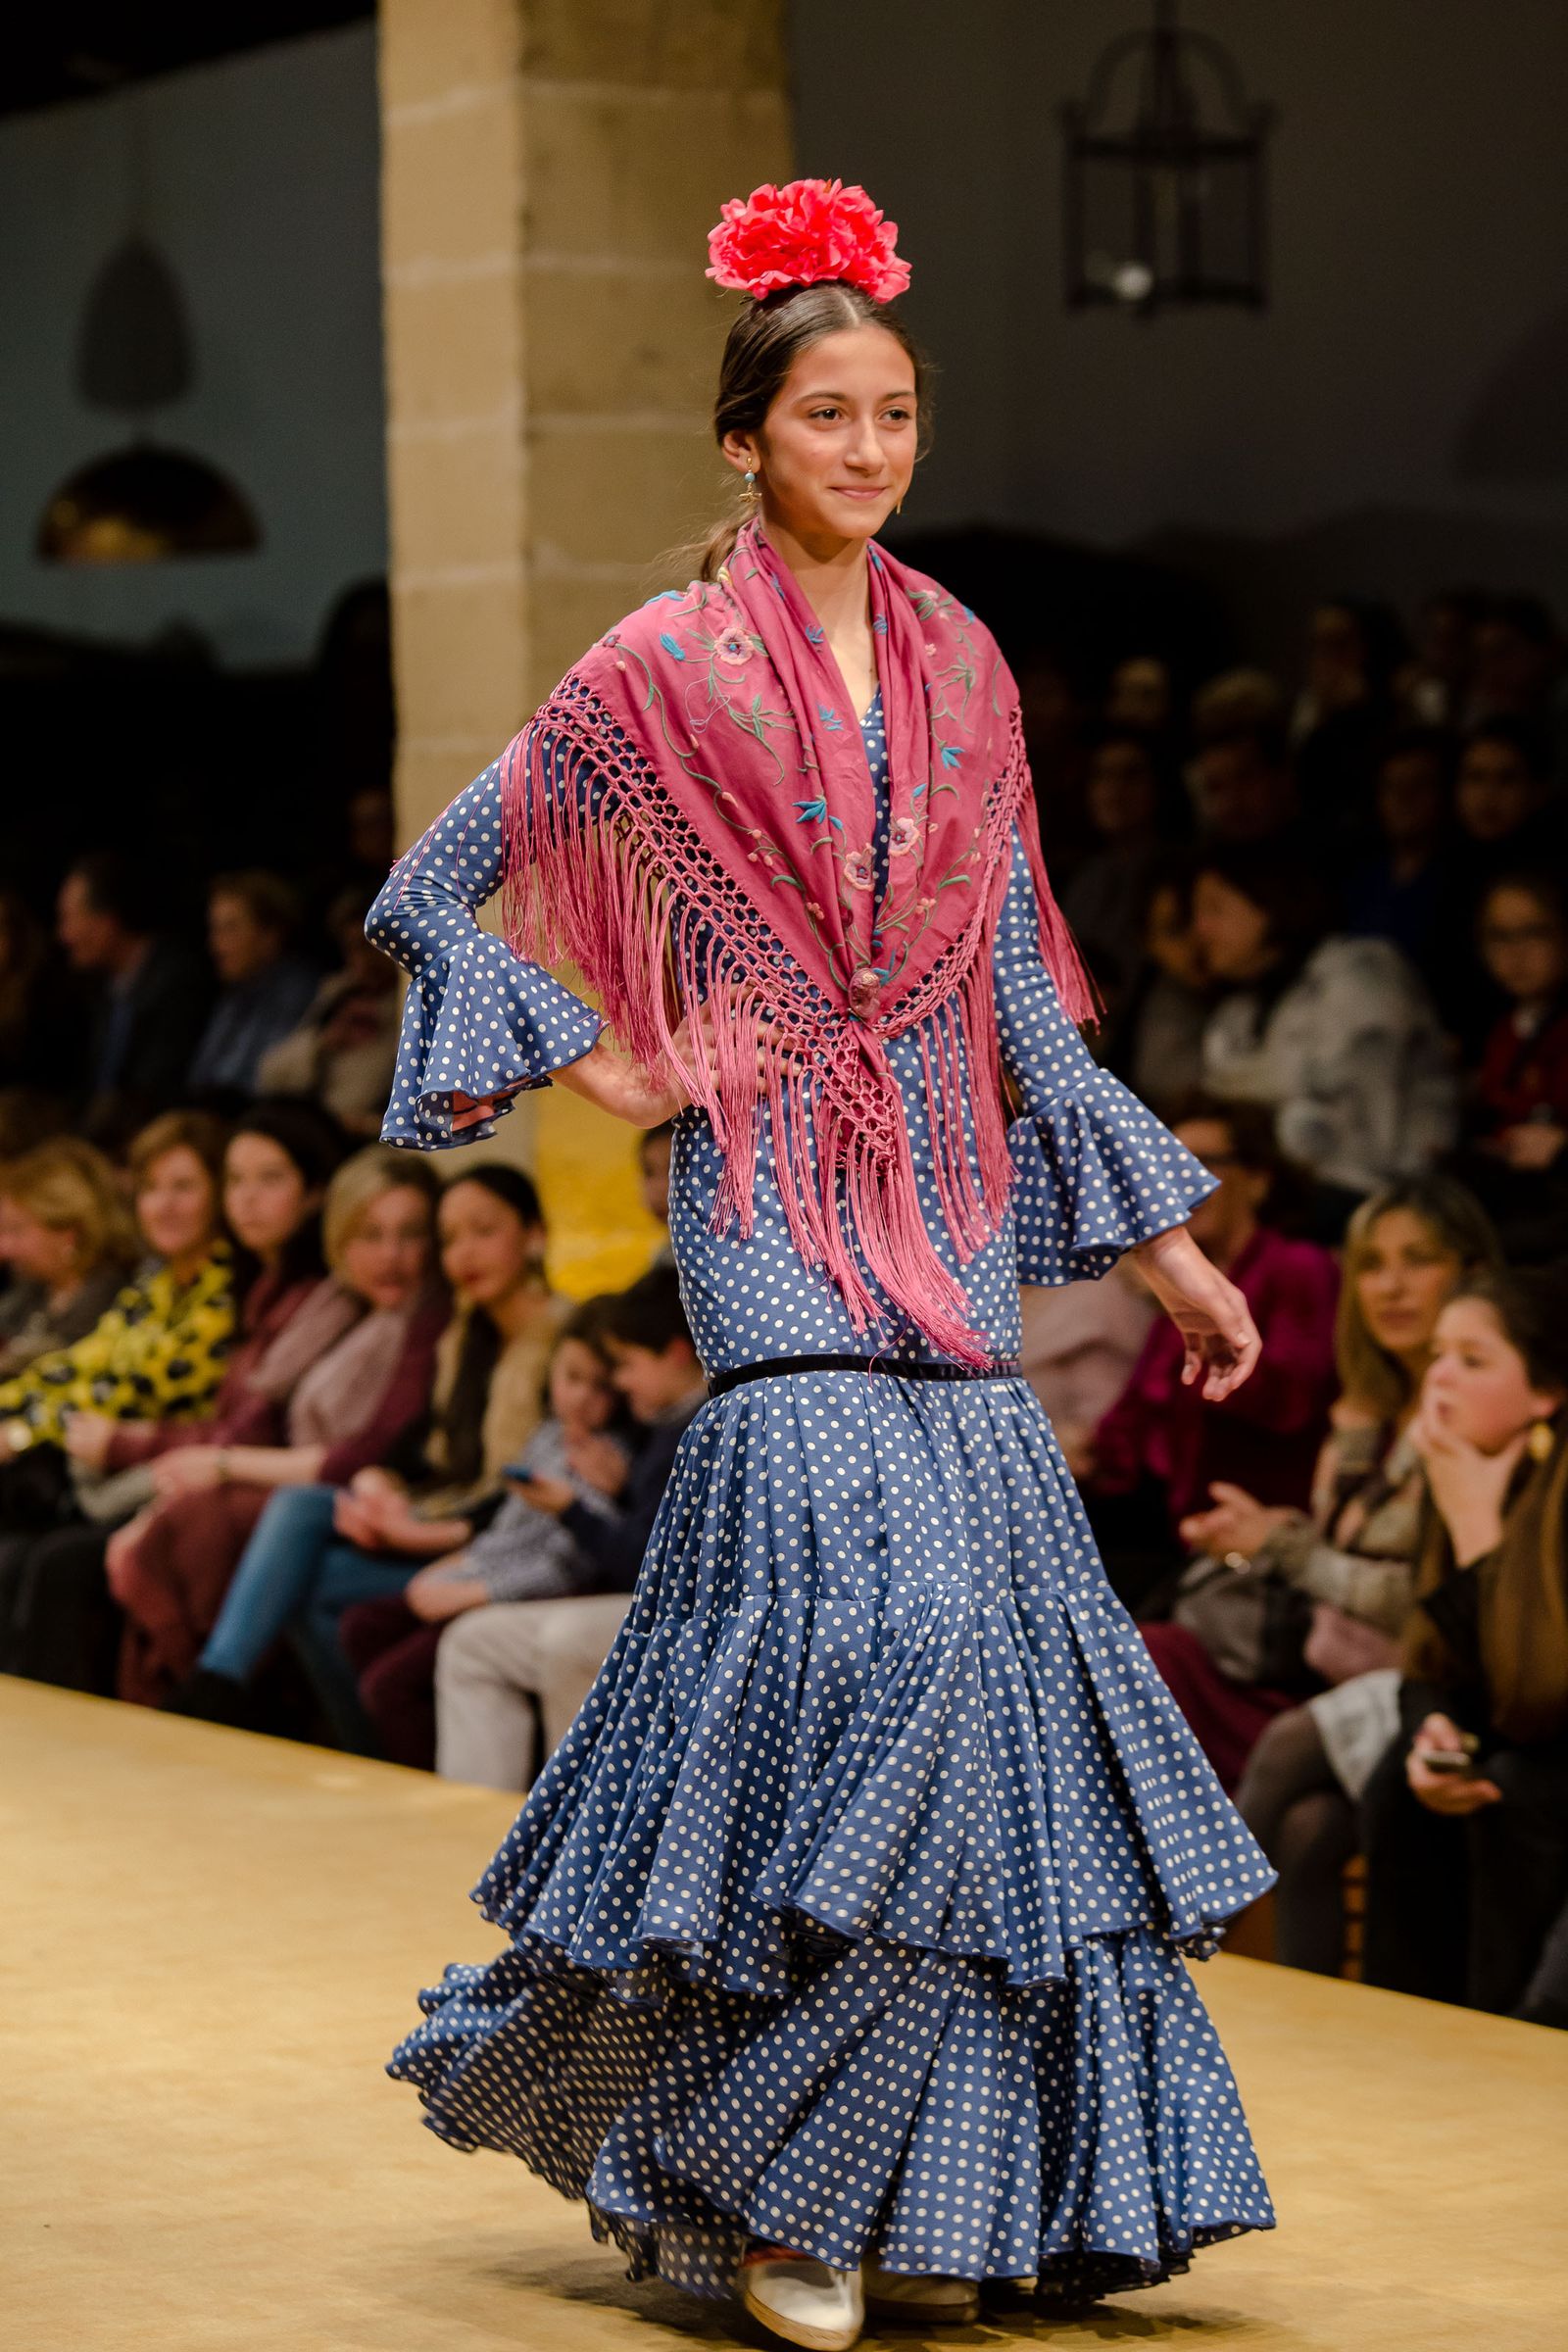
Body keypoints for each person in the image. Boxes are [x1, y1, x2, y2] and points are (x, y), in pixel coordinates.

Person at [371, 182, 1277, 2348]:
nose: (864, 452)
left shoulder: (965, 666)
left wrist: (1164, 1255)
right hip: (769, 1199)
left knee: (985, 1659)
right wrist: (618, 1069)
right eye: (825, 416)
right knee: (885, 1646)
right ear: (743, 436)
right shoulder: (656, 667)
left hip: (952, 1203)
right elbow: (436, 888)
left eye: (891, 417)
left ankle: (923, 2186)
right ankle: (793, 2184)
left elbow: (1030, 1015)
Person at [164, 1164, 558, 1744]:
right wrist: (381, 1483)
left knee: (302, 1543)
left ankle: (221, 1688)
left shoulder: (562, 1340)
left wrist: (431, 1533)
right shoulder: (465, 1336)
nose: (464, 1254)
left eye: (483, 1231)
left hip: (510, 1544)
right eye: (450, 1239)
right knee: (304, 1548)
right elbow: (418, 1451)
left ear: (535, 1235)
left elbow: (534, 1488)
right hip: (449, 1521)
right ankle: (353, 1743)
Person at [1225, 1179, 1500, 1958]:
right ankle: (1318, 2049)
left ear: (1472, 1272)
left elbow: (1426, 1601)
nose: (1392, 1285)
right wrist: (1267, 1536)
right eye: (1374, 1264)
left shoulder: (1481, 1408)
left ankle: (1183, 1944)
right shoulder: (1363, 1415)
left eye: (1419, 1260)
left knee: (1282, 1747)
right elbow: (1343, 1556)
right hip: (1353, 1680)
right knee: (1312, 1835)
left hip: (1441, 1676)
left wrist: (1287, 1550)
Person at [106, 1146, 446, 1705]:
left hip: (372, 1501)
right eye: (370, 1235)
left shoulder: (427, 1320)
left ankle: (206, 1689)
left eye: (411, 1234)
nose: (392, 1256)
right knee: (177, 1517)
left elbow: (364, 1454)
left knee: (219, 1519)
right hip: (317, 1493)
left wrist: (218, 1466)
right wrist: (166, 1497)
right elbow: (253, 1420)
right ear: (339, 1236)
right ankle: (182, 1694)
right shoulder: (334, 1305)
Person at [1360, 1265, 1568, 2025]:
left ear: (1544, 1394)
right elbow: (1426, 1665)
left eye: (1473, 1361)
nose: (1439, 1377)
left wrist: (1477, 1527)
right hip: (1522, 1746)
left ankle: (1509, 2049)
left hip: (1549, 1756)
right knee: (1400, 1782)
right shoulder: (1466, 1466)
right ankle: (1410, 2040)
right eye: (1439, 1354)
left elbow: (1537, 1705)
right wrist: (1430, 1733)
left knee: (1514, 1786)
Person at [431, 1267, 706, 1789]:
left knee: (569, 1641)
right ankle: (477, 1824)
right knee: (472, 1644)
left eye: (625, 1364)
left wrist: (573, 1510)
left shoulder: (708, 1424)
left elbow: (647, 1569)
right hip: (640, 1604)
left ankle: (579, 1840)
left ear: (674, 1353)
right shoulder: (659, 1422)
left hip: (695, 1616)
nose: (620, 1383)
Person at [339, 1295, 630, 1770]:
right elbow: (503, 1523)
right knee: (363, 1626)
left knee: (392, 1682)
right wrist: (455, 1565)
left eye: (600, 1389)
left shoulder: (605, 1460)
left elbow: (564, 1564)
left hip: (521, 1596)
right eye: (572, 1379)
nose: (581, 1398)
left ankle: (423, 1784)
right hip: (485, 1569)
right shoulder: (546, 1435)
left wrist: (478, 1591)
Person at [1078, 1099, 1340, 1616]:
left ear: (1259, 1180)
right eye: (1165, 1164)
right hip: (1159, 1520)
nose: (1177, 1182)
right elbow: (1130, 1423)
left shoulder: (1295, 1267)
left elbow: (1291, 1400)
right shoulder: (1177, 1289)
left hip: (1242, 1531)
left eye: (1200, 1163)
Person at [0, 1110, 234, 1689]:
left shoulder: (228, 1283)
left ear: (217, 1194)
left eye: (184, 1187)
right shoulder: (155, 1285)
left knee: (54, 1564)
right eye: (152, 1188)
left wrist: (21, 1431)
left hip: (168, 1477)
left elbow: (143, 1385)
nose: (164, 1205)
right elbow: (81, 1365)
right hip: (108, 1475)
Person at [1193, 839, 1457, 1211]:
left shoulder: (1362, 972)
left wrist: (1252, 1089)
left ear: (1266, 906)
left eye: (1215, 908)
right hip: (1298, 1197)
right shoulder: (1241, 1006)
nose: (1200, 927)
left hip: (1390, 1196)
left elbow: (1372, 1123)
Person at [57, 853, 210, 1148]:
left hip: (157, 1137)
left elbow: (153, 1090)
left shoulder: (176, 981)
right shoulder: (104, 991)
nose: (63, 935)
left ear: (106, 922)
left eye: (69, 918)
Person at [255, 883, 403, 1136]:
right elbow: (269, 1075)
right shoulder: (338, 994)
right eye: (354, 947)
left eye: (376, 946)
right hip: (315, 1128)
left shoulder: (408, 1002)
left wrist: (364, 1124)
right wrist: (323, 1041)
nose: (365, 960)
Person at [1060, 727, 1187, 1006]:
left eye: (1131, 775)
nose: (1114, 790)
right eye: (1102, 776)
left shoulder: (1181, 872)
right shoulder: (1084, 878)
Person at [0, 1140, 138, 1379]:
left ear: (68, 1232)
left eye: (16, 1230)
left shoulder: (115, 1300)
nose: (4, 1248)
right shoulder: (32, 1290)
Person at [186, 871, 319, 1100]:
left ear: (270, 934)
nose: (216, 946)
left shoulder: (296, 993)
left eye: (229, 929)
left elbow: (257, 1086)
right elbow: (200, 1079)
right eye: (214, 929)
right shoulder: (234, 996)